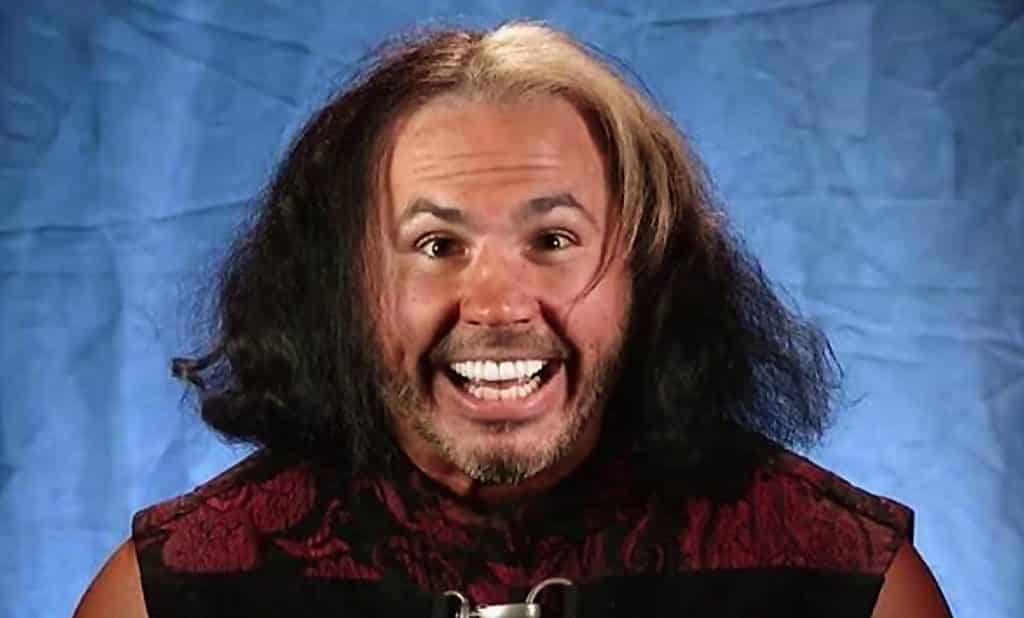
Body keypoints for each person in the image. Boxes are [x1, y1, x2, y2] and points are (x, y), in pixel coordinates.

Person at [75, 22, 952, 617]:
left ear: (650, 274)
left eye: (554, 239)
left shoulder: (851, 584)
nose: (498, 306)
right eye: (435, 245)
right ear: (340, 287)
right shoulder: (168, 594)